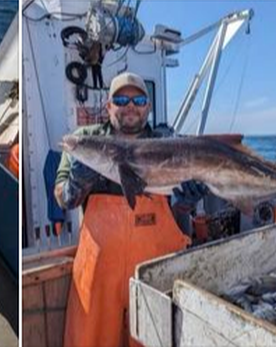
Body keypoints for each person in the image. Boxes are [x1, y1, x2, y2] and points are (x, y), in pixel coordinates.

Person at [55, 72, 206, 347]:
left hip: (155, 273)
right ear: (108, 106)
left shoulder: (166, 142)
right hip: (98, 273)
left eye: (138, 99)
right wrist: (76, 183)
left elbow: (180, 207)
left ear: (147, 106)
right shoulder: (85, 139)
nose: (130, 105)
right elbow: (63, 198)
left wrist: (187, 201)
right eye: (121, 99)